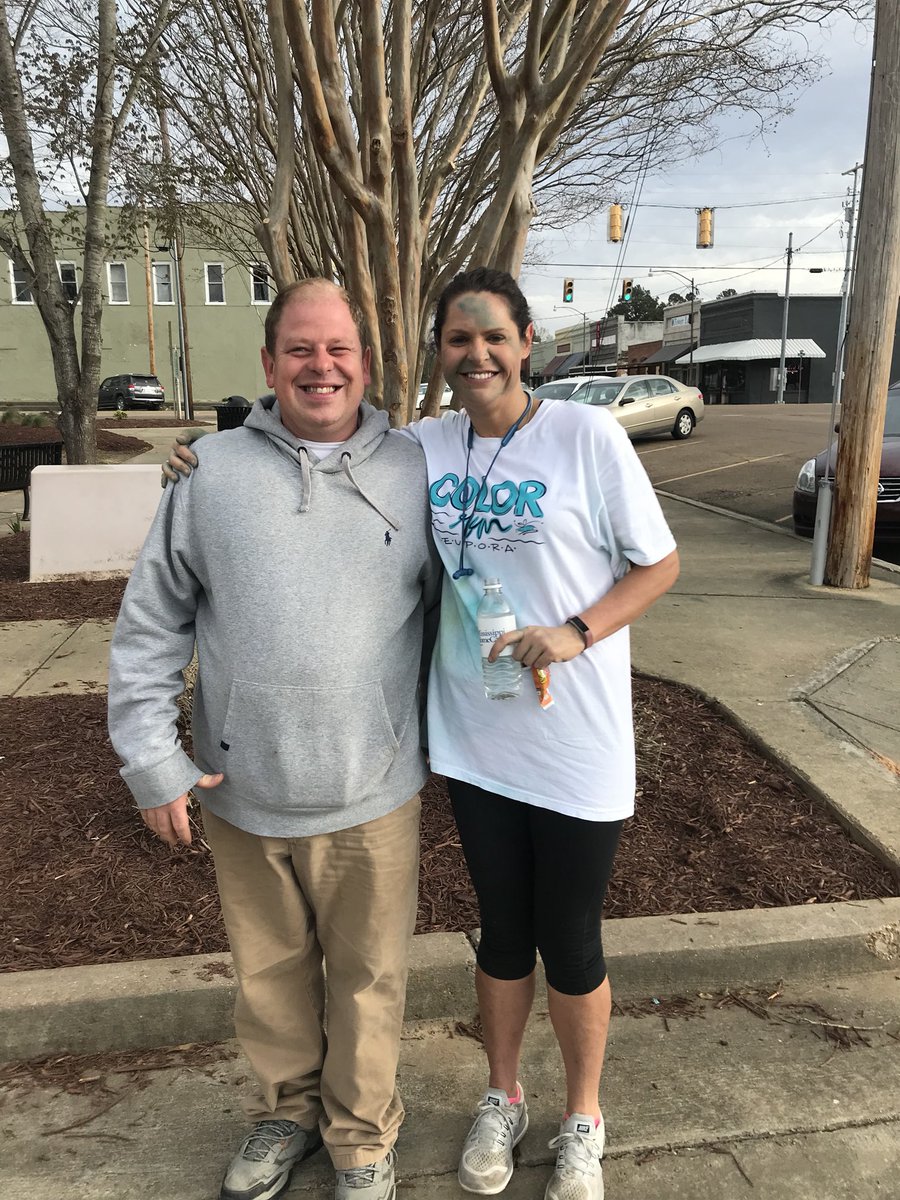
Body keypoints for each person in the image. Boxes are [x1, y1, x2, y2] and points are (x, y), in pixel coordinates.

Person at [166, 267, 679, 1200]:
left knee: (572, 939)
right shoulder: (424, 449)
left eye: (494, 336)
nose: (476, 353)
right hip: (476, 741)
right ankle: (502, 1095)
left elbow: (660, 562)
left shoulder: (586, 435)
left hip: (575, 739)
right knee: (500, 936)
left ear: (528, 341)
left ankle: (585, 1118)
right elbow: (323, 449)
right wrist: (207, 457)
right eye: (457, 339)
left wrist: (574, 633)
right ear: (437, 354)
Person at [109, 278, 440, 1200]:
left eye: (338, 348)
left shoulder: (418, 470)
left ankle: (363, 1137)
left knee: (370, 983)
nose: (320, 366)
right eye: (300, 348)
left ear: (366, 364)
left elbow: (476, 601)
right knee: (268, 978)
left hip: (372, 787)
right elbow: (149, 628)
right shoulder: (207, 474)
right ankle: (286, 1114)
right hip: (237, 785)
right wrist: (151, 762)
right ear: (268, 364)